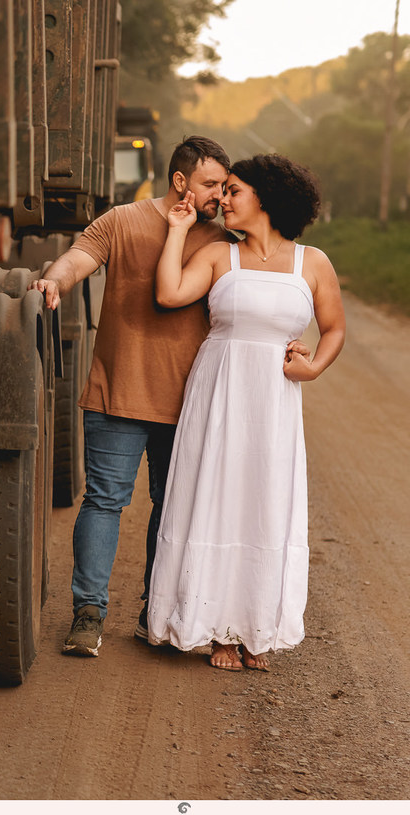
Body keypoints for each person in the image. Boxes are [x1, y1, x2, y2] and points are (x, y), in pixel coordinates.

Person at [32, 136, 238, 657]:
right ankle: (88, 614)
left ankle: (154, 611)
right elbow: (78, 259)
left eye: (222, 185)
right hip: (116, 393)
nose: (219, 194)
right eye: (211, 183)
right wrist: (52, 282)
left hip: (190, 403)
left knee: (171, 510)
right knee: (104, 501)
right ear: (180, 182)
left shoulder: (222, 239)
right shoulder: (121, 220)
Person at [146, 154, 345, 671]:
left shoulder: (312, 263)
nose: (223, 200)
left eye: (234, 191)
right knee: (217, 496)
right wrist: (178, 229)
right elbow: (169, 293)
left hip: (274, 400)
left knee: (264, 502)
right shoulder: (218, 255)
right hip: (219, 392)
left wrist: (315, 367)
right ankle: (219, 633)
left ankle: (257, 628)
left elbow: (335, 329)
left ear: (266, 198)